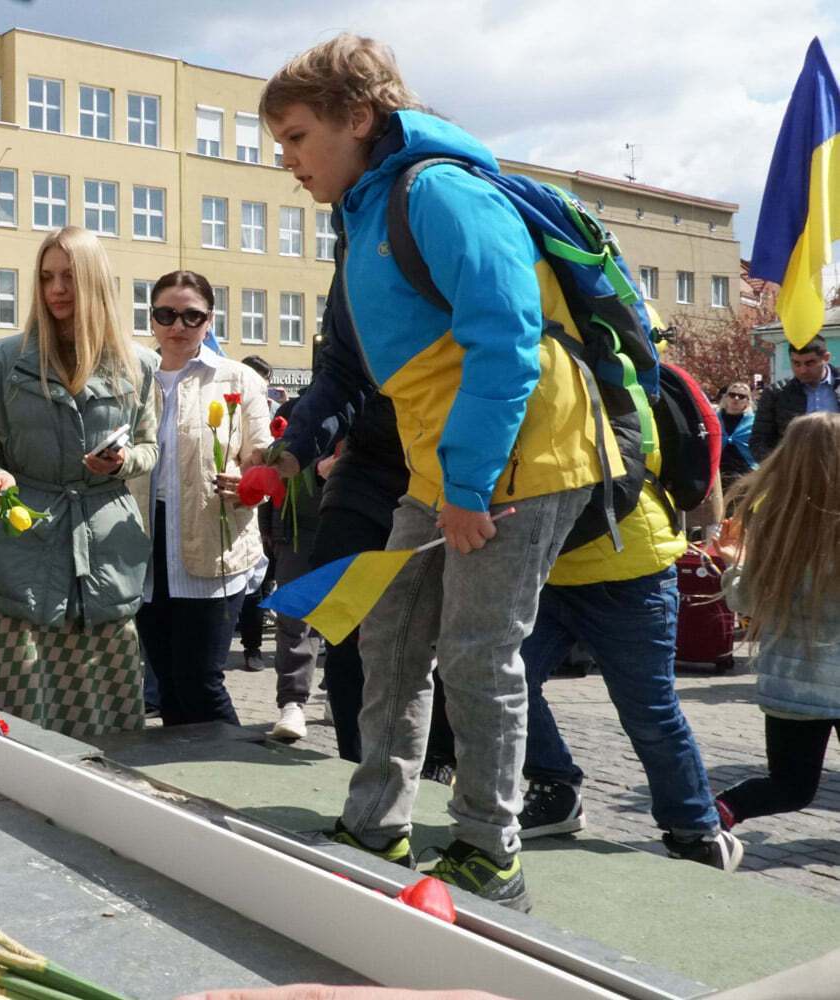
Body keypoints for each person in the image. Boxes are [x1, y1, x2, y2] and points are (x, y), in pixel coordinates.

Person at [262, 34, 617, 911]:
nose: (288, 162)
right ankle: (376, 819)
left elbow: (506, 342)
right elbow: (373, 366)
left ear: (359, 117)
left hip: (523, 458)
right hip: (444, 461)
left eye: (299, 138)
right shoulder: (363, 208)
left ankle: (489, 849)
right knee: (390, 636)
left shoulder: (441, 192)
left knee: (476, 648)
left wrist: (465, 488)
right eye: (281, 146)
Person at [517, 436, 743, 871]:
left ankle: (696, 829)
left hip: (630, 572)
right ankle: (555, 788)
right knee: (504, 680)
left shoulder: (617, 376)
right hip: (552, 569)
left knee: (647, 710)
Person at [0, 226, 158, 737]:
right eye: (47, 277)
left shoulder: (137, 366)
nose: (56, 289)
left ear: (96, 283)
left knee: (106, 694)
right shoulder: (4, 362)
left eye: (70, 277)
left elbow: (149, 447)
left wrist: (120, 465)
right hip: (22, 540)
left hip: (104, 543)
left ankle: (105, 794)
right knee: (18, 690)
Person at [132, 271, 271, 727]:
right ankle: (185, 780)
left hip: (213, 542)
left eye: (192, 315)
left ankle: (231, 777)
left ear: (209, 321)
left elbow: (262, 453)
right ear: (152, 319)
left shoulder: (238, 379)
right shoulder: (134, 378)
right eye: (167, 314)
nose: (178, 325)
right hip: (147, 549)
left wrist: (252, 475)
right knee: (168, 682)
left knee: (201, 680)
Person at [713, 413, 840, 832]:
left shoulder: (773, 523)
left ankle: (714, 814)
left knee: (789, 785)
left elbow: (746, 599)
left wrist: (734, 564)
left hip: (790, 683)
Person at [262, 394, 323, 740]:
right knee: (294, 620)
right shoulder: (293, 410)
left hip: (350, 521)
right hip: (296, 527)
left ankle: (345, 694)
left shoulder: (367, 399)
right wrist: (269, 529)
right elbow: (274, 475)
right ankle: (293, 703)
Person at [236, 354, 276, 673]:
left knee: (259, 583)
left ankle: (253, 647)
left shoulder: (270, 412)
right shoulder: (230, 405)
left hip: (263, 506)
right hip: (238, 503)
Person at [752, 335, 839, 459]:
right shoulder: (776, 394)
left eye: (810, 363)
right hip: (793, 473)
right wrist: (780, 469)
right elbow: (759, 441)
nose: (802, 370)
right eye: (796, 363)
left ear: (826, 358)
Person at [716, 382, 758, 492]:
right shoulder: (713, 420)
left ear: (747, 401)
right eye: (732, 394)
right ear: (725, 397)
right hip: (717, 473)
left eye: (742, 396)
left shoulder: (755, 422)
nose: (736, 398)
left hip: (745, 473)